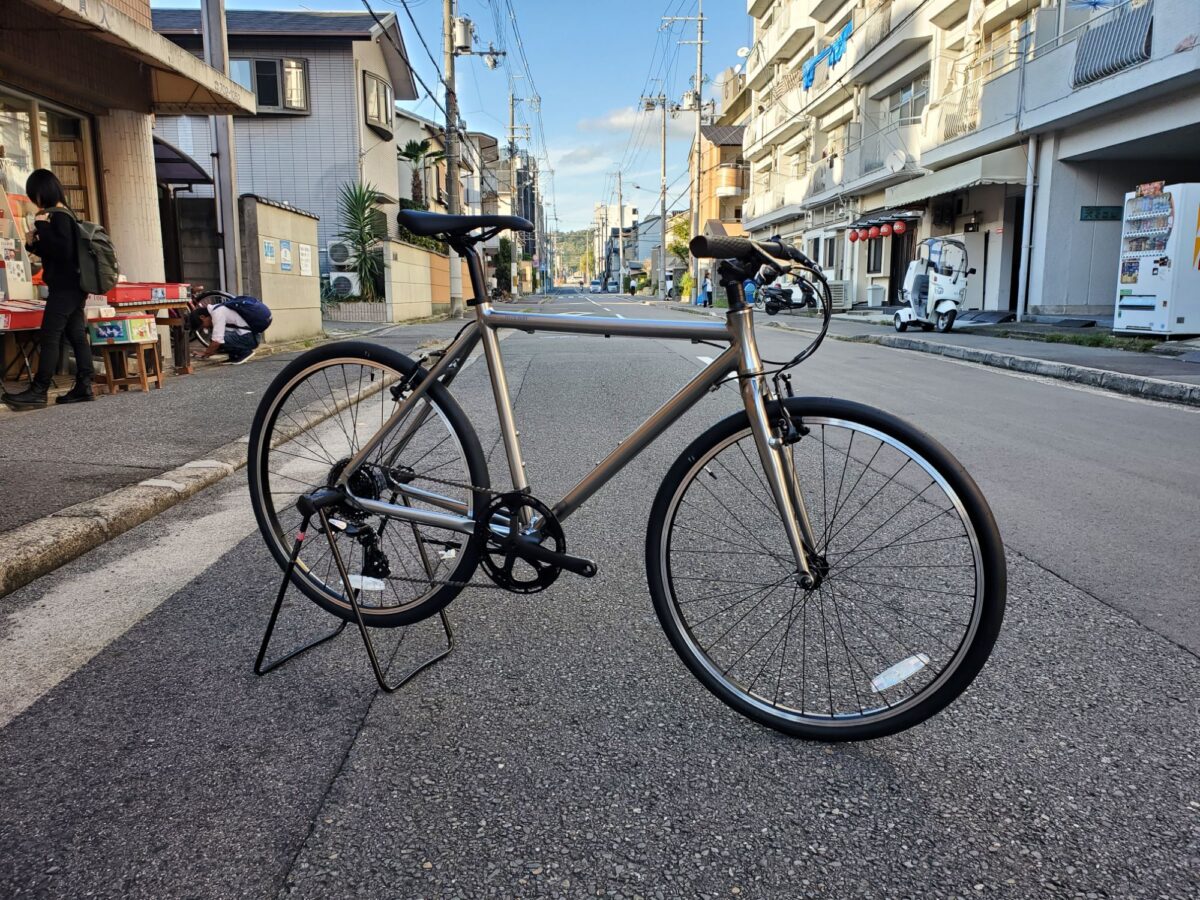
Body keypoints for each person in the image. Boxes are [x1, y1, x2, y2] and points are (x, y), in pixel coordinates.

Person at [2, 170, 95, 409]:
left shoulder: (57, 216)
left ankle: (39, 389)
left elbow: (62, 252)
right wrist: (34, 244)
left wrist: (41, 228)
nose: (34, 200)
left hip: (65, 287)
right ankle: (84, 386)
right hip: (73, 285)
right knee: (76, 335)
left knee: (50, 335)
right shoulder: (65, 215)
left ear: (42, 192)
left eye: (34, 195)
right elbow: (57, 251)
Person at [190, 301, 260, 365]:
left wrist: (205, 353)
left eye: (203, 326)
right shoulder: (217, 309)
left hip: (250, 338)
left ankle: (244, 353)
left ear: (202, 317)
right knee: (215, 338)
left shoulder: (217, 313)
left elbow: (217, 341)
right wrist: (211, 351)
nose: (205, 328)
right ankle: (234, 356)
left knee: (216, 339)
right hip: (250, 336)